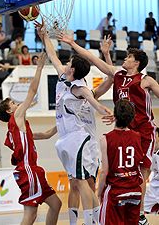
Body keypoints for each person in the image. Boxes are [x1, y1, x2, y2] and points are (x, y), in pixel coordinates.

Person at [58, 32, 159, 225]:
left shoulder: (146, 80)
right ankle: (117, 206)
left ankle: (139, 215)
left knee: (140, 173)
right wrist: (72, 43)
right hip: (123, 129)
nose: (126, 58)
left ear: (136, 63)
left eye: (129, 57)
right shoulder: (117, 74)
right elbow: (92, 59)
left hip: (143, 132)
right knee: (114, 168)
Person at [35, 20, 113, 225]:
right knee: (75, 183)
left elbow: (93, 97)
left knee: (84, 182)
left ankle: (93, 222)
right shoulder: (64, 77)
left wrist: (103, 108)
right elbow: (52, 54)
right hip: (68, 137)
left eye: (69, 62)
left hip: (83, 141)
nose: (66, 63)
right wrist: (44, 35)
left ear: (73, 69)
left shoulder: (80, 87)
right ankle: (75, 221)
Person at [0, 52, 62, 225]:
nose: (18, 105)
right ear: (10, 111)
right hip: (28, 171)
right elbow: (32, 91)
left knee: (56, 204)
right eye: (14, 104)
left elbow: (46, 134)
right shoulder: (16, 118)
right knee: (31, 214)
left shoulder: (21, 130)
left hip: (32, 171)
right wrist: (39, 67)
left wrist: (64, 122)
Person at [98, 99, 144, 225]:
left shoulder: (106, 139)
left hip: (116, 191)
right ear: (132, 117)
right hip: (135, 191)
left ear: (115, 116)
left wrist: (99, 191)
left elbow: (104, 172)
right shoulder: (138, 137)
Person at [144, 127, 159, 214]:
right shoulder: (152, 153)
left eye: (155, 135)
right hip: (153, 188)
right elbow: (148, 170)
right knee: (142, 207)